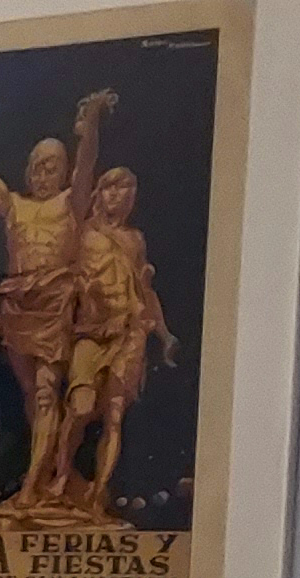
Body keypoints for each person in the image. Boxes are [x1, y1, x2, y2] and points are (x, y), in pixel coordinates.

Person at [0, 63, 113, 516]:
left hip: (55, 306)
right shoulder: (15, 206)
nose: (42, 172)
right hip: (17, 307)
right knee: (34, 397)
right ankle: (50, 470)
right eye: (36, 166)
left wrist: (90, 126)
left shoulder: (70, 203)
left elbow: (87, 165)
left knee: (48, 392)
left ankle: (31, 487)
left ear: (63, 171)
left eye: (51, 166)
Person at [61, 161, 176, 515]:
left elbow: (144, 290)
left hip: (128, 332)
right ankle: (60, 475)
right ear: (100, 193)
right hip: (90, 332)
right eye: (111, 187)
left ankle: (99, 492)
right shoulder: (82, 233)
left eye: (125, 189)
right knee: (80, 407)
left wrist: (164, 333)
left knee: (113, 414)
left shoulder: (135, 240)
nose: (118, 195)